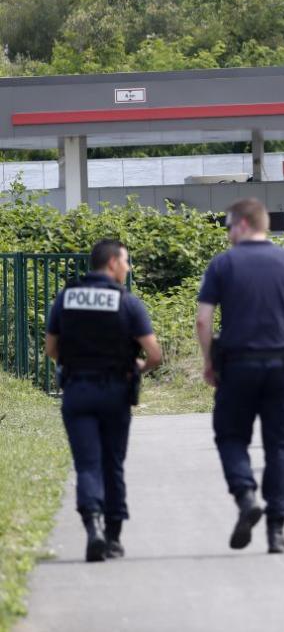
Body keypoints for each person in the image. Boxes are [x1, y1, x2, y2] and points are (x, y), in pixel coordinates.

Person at [196, 198, 284, 554]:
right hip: (282, 367)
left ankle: (245, 496)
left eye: (228, 228)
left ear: (241, 224)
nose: (226, 236)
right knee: (279, 448)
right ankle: (276, 531)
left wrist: (209, 361)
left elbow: (203, 320)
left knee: (230, 436)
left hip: (236, 367)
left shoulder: (223, 264)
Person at [44, 239, 162, 562]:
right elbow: (154, 354)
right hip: (115, 392)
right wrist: (137, 366)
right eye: (126, 261)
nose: (128, 268)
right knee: (112, 463)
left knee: (87, 464)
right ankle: (112, 537)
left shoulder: (65, 298)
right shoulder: (127, 303)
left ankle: (92, 526)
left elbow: (51, 350)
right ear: (112, 263)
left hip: (77, 392)